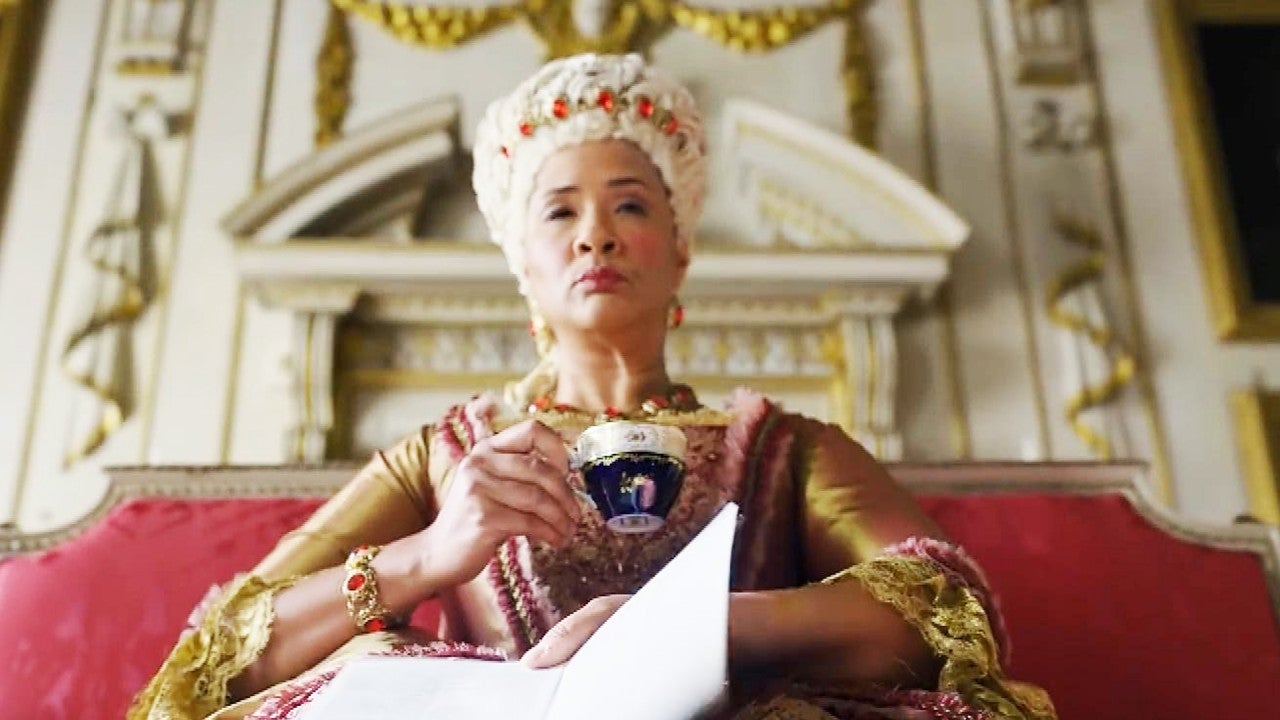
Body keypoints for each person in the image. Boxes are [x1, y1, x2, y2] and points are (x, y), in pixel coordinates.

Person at [128, 53, 1055, 720]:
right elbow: (225, 654)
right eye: (560, 211)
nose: (595, 235)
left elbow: (941, 607)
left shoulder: (785, 446)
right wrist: (432, 553)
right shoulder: (447, 456)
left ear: (681, 249)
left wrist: (690, 629)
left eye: (630, 205)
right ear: (524, 265)